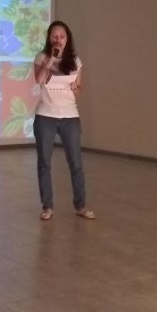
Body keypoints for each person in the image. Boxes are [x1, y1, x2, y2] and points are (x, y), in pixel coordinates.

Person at [33, 21, 94, 221]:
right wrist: (52, 58)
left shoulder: (76, 61)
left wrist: (76, 88)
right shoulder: (42, 57)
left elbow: (78, 87)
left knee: (76, 163)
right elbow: (39, 80)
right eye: (54, 36)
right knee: (44, 163)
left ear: (67, 39)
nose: (58, 39)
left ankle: (80, 206)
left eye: (62, 36)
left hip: (70, 116)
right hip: (46, 115)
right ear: (49, 38)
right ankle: (47, 207)